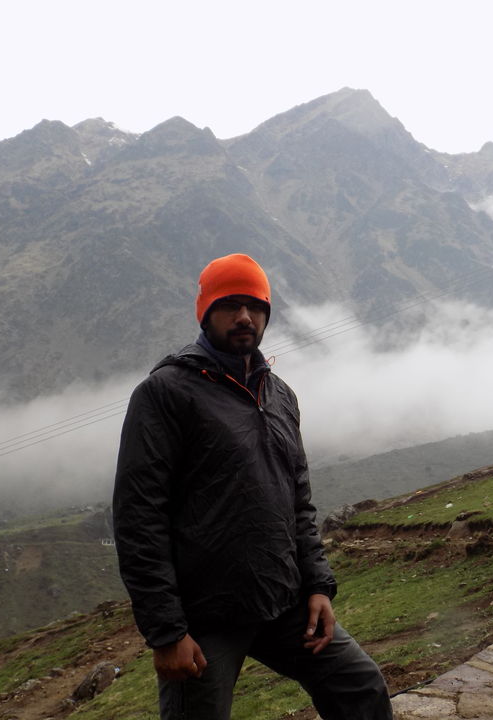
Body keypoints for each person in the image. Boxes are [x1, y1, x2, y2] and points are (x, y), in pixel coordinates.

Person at [113, 253, 393, 719]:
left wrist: (317, 586)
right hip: (205, 618)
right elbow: (138, 517)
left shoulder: (279, 395)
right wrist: (166, 632)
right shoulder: (165, 393)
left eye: (255, 306)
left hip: (283, 601)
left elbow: (298, 501)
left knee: (360, 688)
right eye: (230, 305)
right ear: (206, 313)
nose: (244, 316)